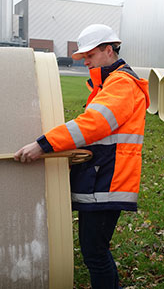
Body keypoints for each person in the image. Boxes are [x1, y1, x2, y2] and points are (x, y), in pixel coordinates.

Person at [15, 24, 150, 289]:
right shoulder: (108, 83)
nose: (85, 62)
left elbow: (92, 124)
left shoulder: (121, 83)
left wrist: (43, 144)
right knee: (94, 250)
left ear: (108, 50)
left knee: (95, 252)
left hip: (107, 180)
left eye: (89, 55)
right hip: (102, 176)